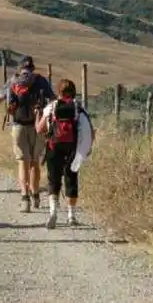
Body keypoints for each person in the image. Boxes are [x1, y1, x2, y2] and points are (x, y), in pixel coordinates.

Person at [0, 55, 55, 213]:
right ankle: (35, 196)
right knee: (35, 162)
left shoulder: (13, 80)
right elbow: (53, 98)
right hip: (37, 125)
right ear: (32, 67)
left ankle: (25, 198)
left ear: (20, 68)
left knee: (23, 162)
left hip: (18, 125)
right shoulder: (40, 80)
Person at [35, 78, 93, 229]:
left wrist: (38, 115)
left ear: (58, 91)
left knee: (53, 180)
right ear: (73, 91)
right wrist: (86, 149)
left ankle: (53, 212)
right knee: (71, 179)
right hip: (73, 149)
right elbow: (89, 132)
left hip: (54, 147)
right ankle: (71, 216)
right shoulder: (79, 108)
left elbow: (39, 129)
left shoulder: (51, 107)